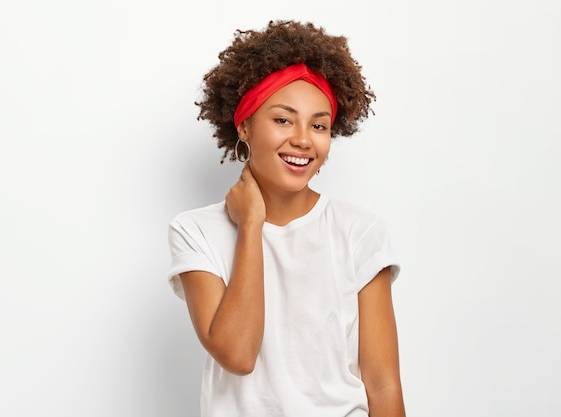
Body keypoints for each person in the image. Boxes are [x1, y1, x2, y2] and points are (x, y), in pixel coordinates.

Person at [167, 20, 405, 417]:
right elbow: (238, 355)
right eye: (283, 119)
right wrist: (250, 226)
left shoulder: (359, 233)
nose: (303, 138)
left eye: (319, 125)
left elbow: (382, 383)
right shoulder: (196, 232)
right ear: (244, 125)